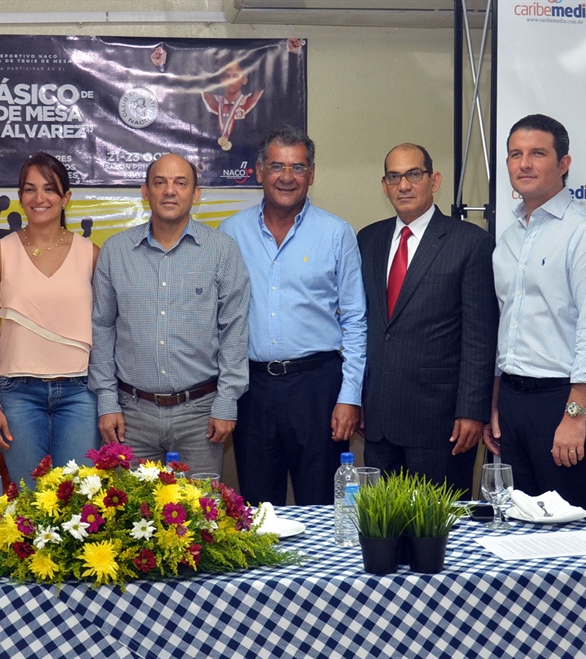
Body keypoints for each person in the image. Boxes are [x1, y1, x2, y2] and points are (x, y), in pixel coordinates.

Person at [219, 126, 367, 506]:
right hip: (252, 391)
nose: (287, 177)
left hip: (317, 388)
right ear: (258, 171)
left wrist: (349, 397)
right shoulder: (230, 233)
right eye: (277, 166)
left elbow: (355, 320)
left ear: (312, 174)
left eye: (298, 167)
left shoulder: (337, 234)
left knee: (321, 504)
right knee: (256, 508)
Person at [485, 114, 586, 530]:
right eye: (515, 154)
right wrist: (495, 403)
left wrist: (575, 415)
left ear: (563, 164)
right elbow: (506, 326)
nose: (524, 164)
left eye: (537, 153)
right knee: (519, 532)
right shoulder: (508, 239)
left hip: (565, 404)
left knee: (572, 537)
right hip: (513, 403)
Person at [89, 154, 250, 476]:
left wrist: (227, 399)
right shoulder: (115, 251)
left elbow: (234, 330)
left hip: (201, 413)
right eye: (159, 182)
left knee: (201, 519)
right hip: (131, 415)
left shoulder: (222, 251)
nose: (169, 191)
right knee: (131, 521)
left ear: (196, 193)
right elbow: (102, 327)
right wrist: (107, 400)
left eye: (180, 183)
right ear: (145, 191)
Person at [356, 144, 498, 494]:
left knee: (437, 536)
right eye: (394, 176)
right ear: (384, 185)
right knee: (382, 532)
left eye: (413, 174)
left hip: (441, 424)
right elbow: (364, 326)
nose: (404, 185)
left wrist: (471, 411)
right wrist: (358, 398)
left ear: (434, 180)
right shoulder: (368, 239)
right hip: (379, 422)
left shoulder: (470, 243)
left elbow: (480, 336)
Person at [0, 153, 100, 487]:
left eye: (49, 189)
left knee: (77, 500)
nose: (39, 198)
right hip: (17, 395)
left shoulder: (91, 254)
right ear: (20, 197)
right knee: (31, 506)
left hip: (80, 393)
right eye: (29, 189)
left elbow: (107, 333)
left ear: (66, 198)